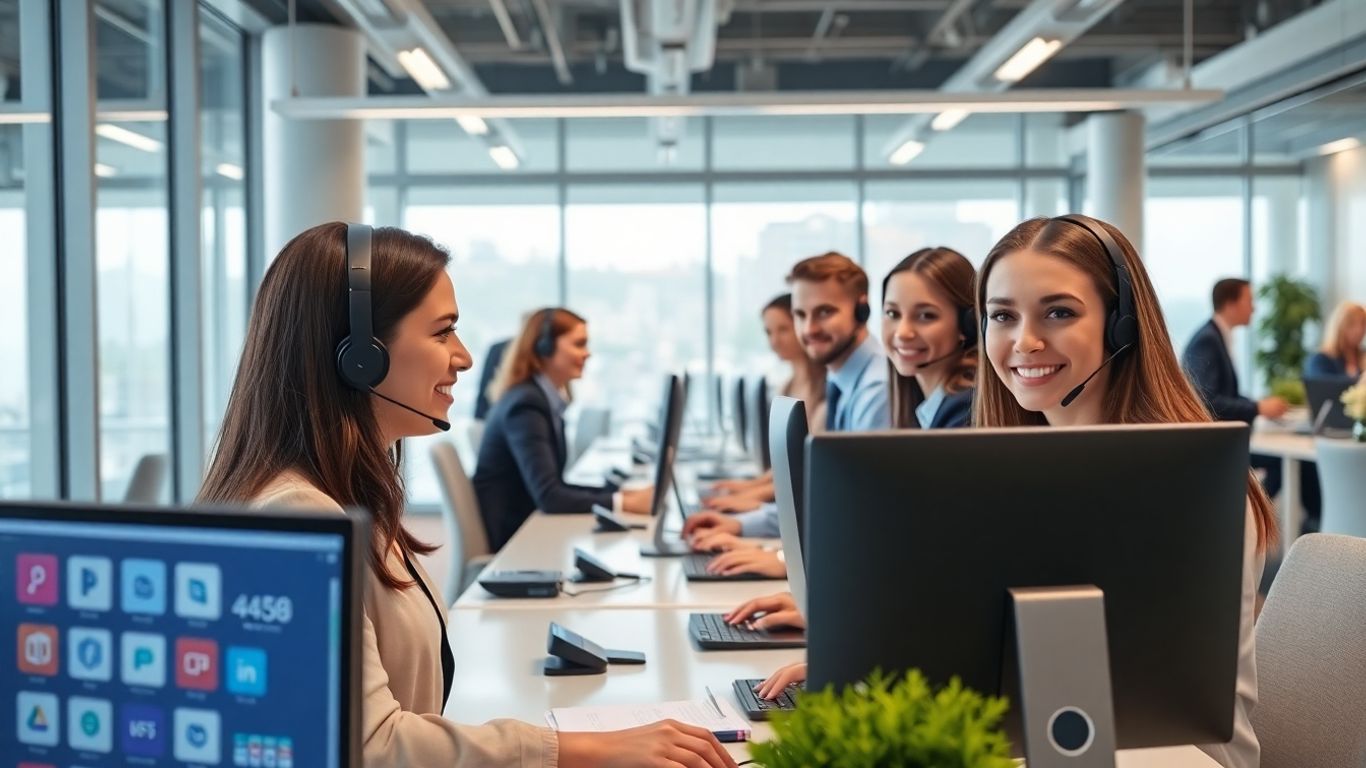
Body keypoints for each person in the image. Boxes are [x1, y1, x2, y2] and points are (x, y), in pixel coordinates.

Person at [198, 223, 735, 768]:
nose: (465, 357)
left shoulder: (344, 499)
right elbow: (369, 748)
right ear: (360, 356)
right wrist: (577, 749)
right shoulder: (298, 516)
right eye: (442, 332)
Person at [973, 215, 1269, 768]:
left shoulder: (1189, 484)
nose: (1025, 341)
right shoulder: (1013, 469)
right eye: (1002, 316)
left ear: (1122, 325)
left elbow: (1173, 704)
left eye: (1058, 312)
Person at [683, 253, 889, 567]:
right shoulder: (842, 377)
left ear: (862, 309)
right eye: (800, 314)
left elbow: (860, 516)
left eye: (825, 312)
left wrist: (782, 558)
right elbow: (827, 498)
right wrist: (743, 524)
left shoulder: (876, 389)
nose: (809, 329)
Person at [474, 308, 653, 551]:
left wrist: (622, 494)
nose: (587, 353)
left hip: (530, 528)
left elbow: (555, 484)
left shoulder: (538, 398)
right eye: (579, 344)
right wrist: (622, 503)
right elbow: (550, 496)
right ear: (544, 348)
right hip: (515, 542)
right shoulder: (525, 405)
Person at [1182, 278, 1288, 500]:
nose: (1254, 307)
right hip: (1214, 446)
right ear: (1231, 304)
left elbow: (1223, 393)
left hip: (1222, 441)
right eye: (1249, 300)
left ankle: (1252, 517)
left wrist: (1260, 406)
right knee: (1282, 463)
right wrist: (1258, 407)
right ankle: (1252, 517)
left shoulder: (1216, 336)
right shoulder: (1208, 340)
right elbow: (1208, 400)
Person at [881, 247, 977, 429]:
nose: (902, 332)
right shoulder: (926, 403)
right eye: (893, 313)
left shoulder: (965, 411)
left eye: (926, 315)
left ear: (968, 324)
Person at [1306, 300, 1365, 379]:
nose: (1359, 330)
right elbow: (1321, 388)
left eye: (1363, 324)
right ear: (1339, 326)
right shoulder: (1321, 360)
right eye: (1351, 324)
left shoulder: (1363, 356)